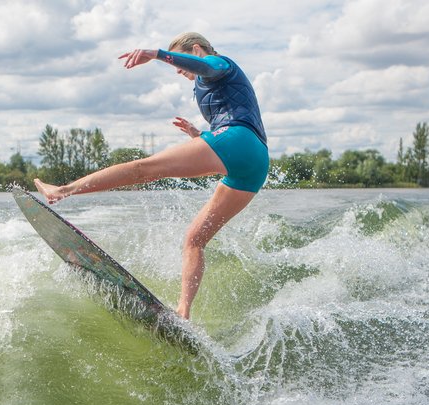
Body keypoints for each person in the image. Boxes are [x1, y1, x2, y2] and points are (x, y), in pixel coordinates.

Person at [34, 32, 269, 320]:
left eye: (181, 63)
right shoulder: (210, 82)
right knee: (194, 239)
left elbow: (207, 67)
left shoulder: (218, 64)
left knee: (142, 169)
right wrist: (199, 135)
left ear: (196, 49)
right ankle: (183, 312)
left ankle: (62, 190)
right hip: (255, 163)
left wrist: (157, 54)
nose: (179, 71)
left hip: (238, 140)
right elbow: (233, 111)